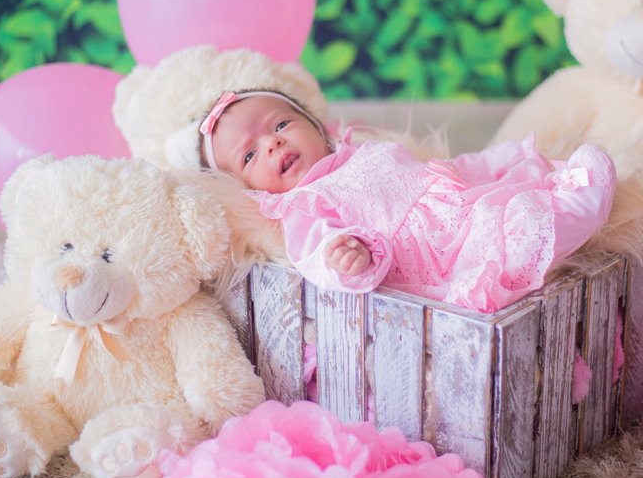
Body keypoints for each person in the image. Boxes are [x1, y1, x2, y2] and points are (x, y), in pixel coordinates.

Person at [199, 90, 616, 313]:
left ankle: (565, 195)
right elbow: (317, 257)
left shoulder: (361, 152)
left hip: (460, 208)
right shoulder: (304, 207)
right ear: (248, 191)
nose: (273, 144)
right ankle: (576, 209)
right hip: (437, 258)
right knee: (511, 238)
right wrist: (345, 259)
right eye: (250, 155)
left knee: (506, 200)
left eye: (282, 124)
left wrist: (502, 159)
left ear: (317, 128)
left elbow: (439, 168)